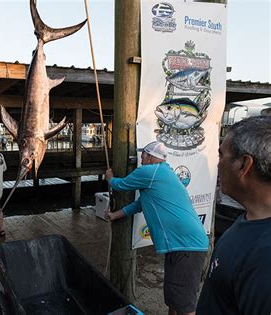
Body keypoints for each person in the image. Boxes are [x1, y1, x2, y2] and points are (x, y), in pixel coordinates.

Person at [104, 141, 209, 315]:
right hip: (180, 245)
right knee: (173, 298)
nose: (141, 158)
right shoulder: (160, 175)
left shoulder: (150, 172)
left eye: (143, 154)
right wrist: (115, 215)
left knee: (184, 305)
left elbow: (120, 185)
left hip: (187, 245)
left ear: (151, 156)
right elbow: (139, 205)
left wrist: (110, 178)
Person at [197, 116, 271, 314]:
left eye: (221, 155)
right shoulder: (252, 220)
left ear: (244, 165)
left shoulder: (264, 258)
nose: (217, 164)